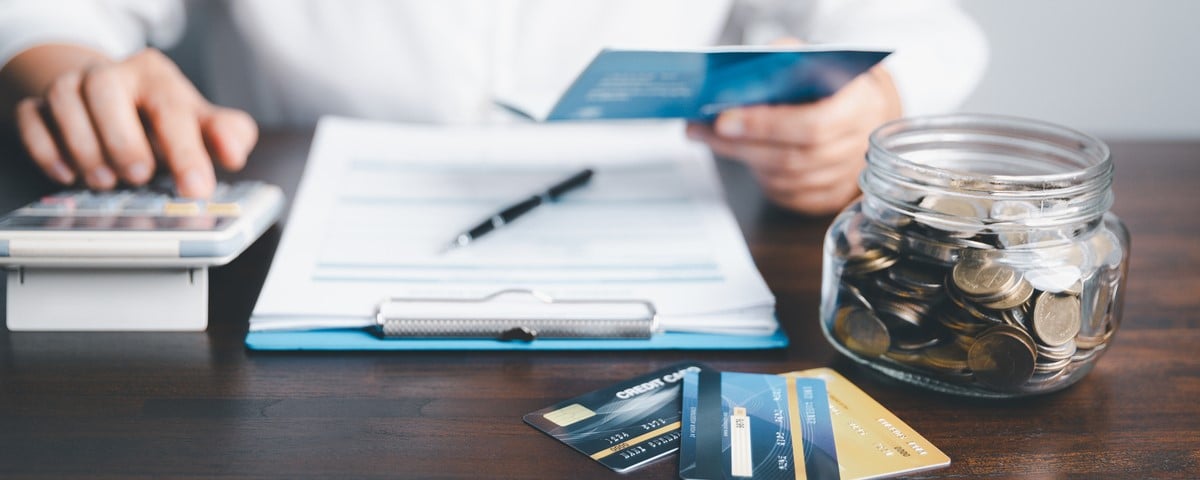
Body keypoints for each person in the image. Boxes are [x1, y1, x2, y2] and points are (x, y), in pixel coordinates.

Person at [0, 0, 986, 215]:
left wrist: (869, 104)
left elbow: (922, 25)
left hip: (655, 240)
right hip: (277, 257)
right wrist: (67, 68)